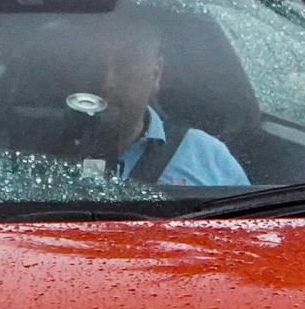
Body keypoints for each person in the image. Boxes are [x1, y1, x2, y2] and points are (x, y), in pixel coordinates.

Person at [50, 16, 247, 186]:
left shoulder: (206, 157)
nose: (107, 82)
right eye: (92, 64)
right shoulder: (32, 147)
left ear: (156, 74)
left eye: (126, 63)